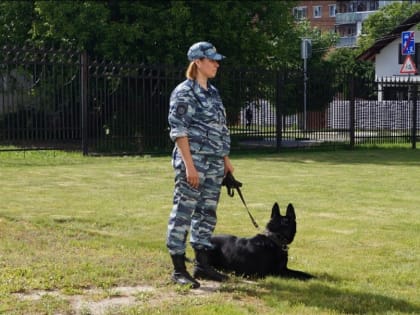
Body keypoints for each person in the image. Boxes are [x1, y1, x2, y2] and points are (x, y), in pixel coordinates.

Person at [166, 41, 234, 289]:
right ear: (198, 62)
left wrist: (226, 161)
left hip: (214, 164)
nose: (217, 64)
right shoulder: (184, 92)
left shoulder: (213, 93)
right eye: (212, 60)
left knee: (207, 214)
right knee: (183, 213)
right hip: (193, 163)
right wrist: (189, 166)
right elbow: (179, 131)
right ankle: (178, 269)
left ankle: (202, 265)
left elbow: (221, 129)